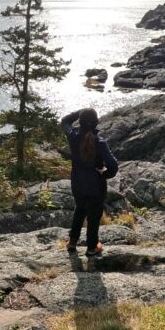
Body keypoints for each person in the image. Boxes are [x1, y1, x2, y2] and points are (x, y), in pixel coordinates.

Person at [61, 107, 118, 258]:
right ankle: (92, 247)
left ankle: (72, 242)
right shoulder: (100, 142)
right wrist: (104, 173)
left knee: (80, 209)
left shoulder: (73, 137)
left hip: (77, 184)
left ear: (80, 122)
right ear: (96, 123)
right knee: (94, 215)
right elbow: (113, 166)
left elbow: (65, 121)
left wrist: (79, 112)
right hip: (96, 187)